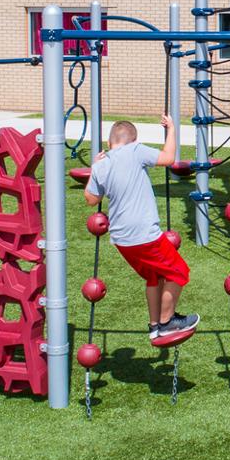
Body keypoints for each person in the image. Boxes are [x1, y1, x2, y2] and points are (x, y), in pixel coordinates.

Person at [84, 115, 198, 341]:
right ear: (133, 140)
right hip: (143, 235)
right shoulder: (135, 151)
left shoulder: (102, 165)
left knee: (154, 277)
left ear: (109, 143)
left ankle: (154, 325)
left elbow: (90, 199)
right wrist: (172, 129)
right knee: (179, 273)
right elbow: (168, 158)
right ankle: (168, 322)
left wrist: (94, 168)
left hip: (122, 240)